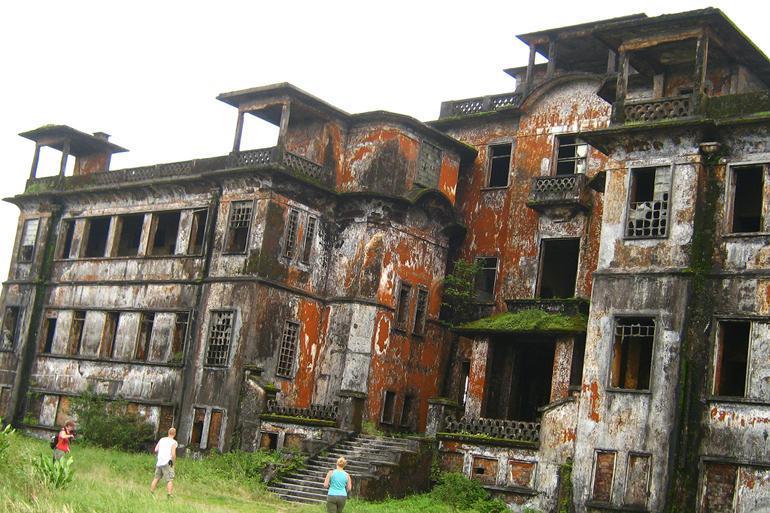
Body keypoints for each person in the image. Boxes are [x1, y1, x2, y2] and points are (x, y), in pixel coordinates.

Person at [150, 427, 178, 499]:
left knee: (156, 478)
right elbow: (173, 454)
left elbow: (156, 449)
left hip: (159, 461)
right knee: (170, 479)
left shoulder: (162, 439)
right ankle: (169, 495)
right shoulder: (174, 442)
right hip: (169, 461)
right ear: (174, 434)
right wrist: (173, 464)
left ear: (168, 433)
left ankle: (151, 492)